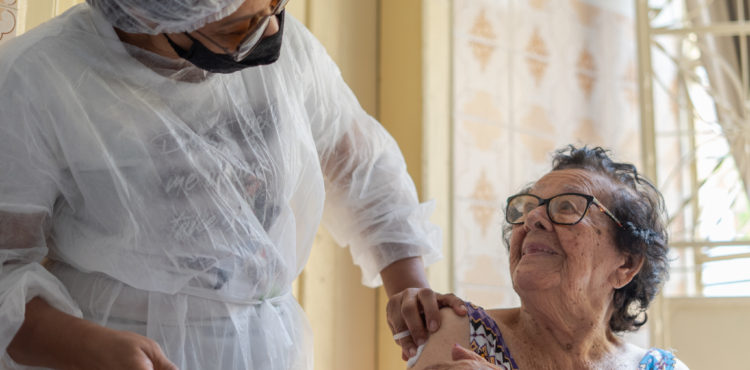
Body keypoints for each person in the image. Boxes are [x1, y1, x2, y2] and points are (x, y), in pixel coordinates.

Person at [0, 1, 464, 369]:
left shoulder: (285, 46)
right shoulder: (37, 78)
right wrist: (89, 348)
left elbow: (363, 170)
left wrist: (409, 289)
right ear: (149, 14)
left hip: (270, 348)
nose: (271, 34)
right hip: (104, 349)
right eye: (235, 28)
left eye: (274, 7)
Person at [392, 146, 689, 369]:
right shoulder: (460, 334)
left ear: (626, 264)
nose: (532, 218)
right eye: (527, 208)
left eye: (568, 208)